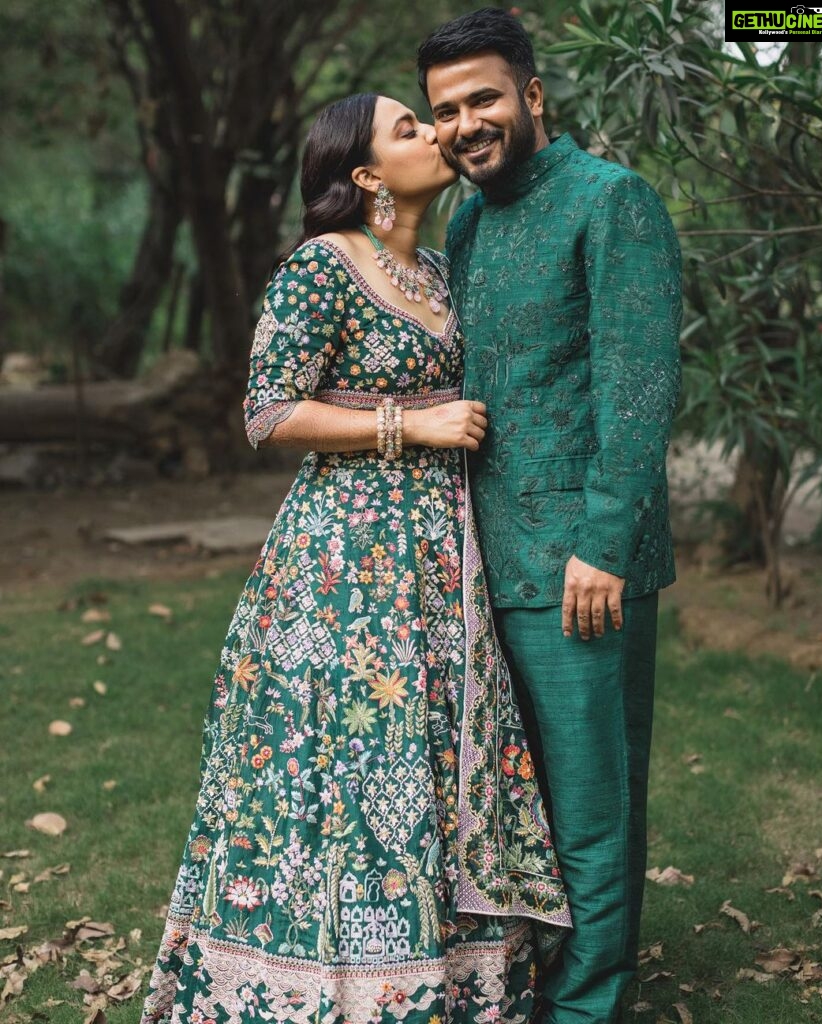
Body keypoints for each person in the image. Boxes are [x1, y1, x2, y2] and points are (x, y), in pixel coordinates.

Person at [139, 91, 571, 1024]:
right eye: (409, 128)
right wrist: (410, 425)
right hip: (344, 562)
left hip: (440, 557)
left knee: (431, 750)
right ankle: (319, 986)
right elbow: (269, 412)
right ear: (367, 175)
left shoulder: (442, 268)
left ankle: (445, 984)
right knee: (349, 757)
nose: (435, 133)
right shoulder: (319, 269)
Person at [417, 9, 683, 1024]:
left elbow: (639, 384)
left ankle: (589, 1006)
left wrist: (604, 544)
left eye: (482, 97)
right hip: (486, 561)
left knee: (591, 809)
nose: (464, 123)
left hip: (582, 567)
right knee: (513, 807)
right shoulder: (470, 219)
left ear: (532, 95)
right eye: (445, 110)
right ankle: (529, 983)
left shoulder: (612, 200)